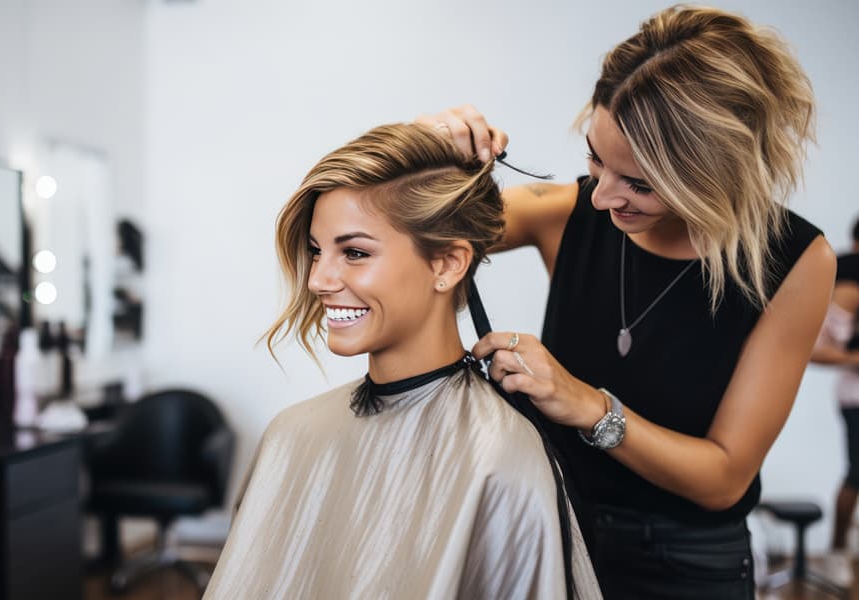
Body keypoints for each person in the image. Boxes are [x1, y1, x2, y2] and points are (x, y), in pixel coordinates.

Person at [416, 5, 835, 599]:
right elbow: (412, 233)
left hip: (687, 562)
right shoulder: (565, 212)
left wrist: (585, 404)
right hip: (553, 527)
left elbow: (722, 478)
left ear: (716, 172)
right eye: (595, 158)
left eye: (639, 182)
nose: (601, 197)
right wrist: (426, 151)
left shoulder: (794, 260)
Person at [203, 123, 602, 599]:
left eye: (353, 252)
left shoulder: (498, 455)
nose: (318, 281)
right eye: (316, 251)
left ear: (448, 264)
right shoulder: (291, 435)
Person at [811, 217, 859, 587]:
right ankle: (837, 551)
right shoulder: (845, 284)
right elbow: (817, 350)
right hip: (855, 395)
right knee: (857, 474)